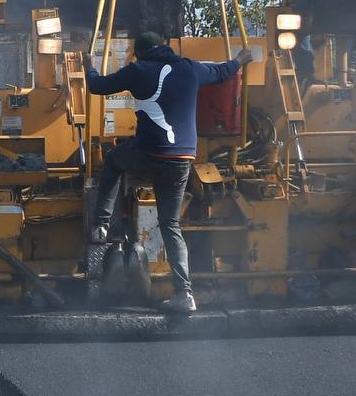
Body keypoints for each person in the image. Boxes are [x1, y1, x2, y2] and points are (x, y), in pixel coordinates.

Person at [85, 31, 250, 314]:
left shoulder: (138, 70)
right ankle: (184, 294)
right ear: (163, 47)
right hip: (181, 159)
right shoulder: (189, 67)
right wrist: (240, 60)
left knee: (113, 161)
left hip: (148, 154)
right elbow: (222, 72)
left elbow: (98, 86)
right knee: (170, 225)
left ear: (139, 52)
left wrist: (88, 64)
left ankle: (101, 224)